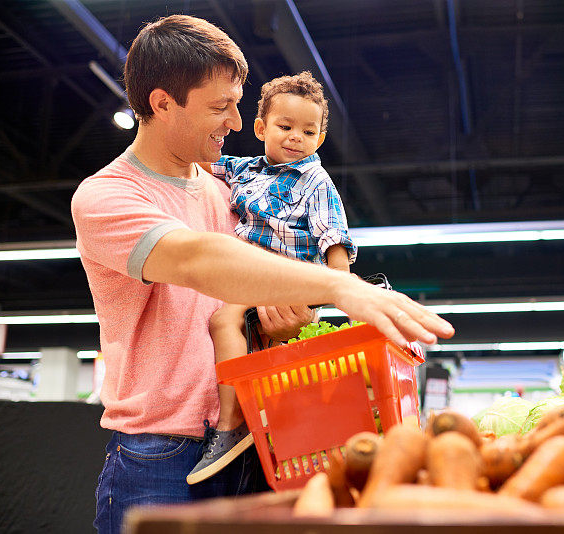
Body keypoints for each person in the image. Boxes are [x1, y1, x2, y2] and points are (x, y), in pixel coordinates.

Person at [70, 15, 453, 534]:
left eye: (237, 103)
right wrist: (340, 286)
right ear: (162, 104)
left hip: (260, 441)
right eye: (218, 107)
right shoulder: (108, 196)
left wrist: (286, 328)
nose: (234, 121)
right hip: (163, 453)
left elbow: (253, 291)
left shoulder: (231, 191)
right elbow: (197, 261)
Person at [185, 71, 356, 485]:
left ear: (319, 139)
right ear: (260, 127)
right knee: (248, 337)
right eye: (285, 126)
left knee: (222, 321)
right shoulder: (248, 170)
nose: (296, 137)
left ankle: (230, 422)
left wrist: (346, 292)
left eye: (308, 131)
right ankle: (254, 416)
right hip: (249, 275)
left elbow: (334, 236)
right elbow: (203, 164)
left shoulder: (316, 181)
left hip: (288, 277)